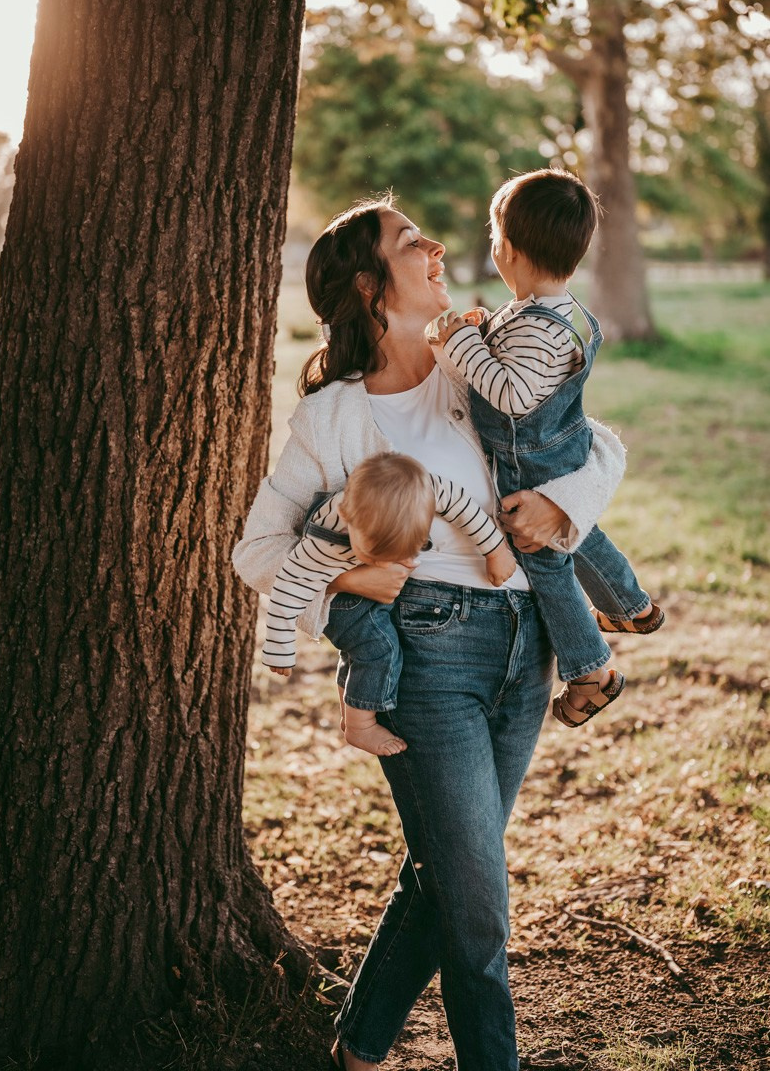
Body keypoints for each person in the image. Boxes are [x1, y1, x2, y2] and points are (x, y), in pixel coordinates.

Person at [232, 193, 626, 1071]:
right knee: (480, 902)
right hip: (424, 659)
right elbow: (257, 550)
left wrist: (560, 502)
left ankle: (361, 1046)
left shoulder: (478, 365)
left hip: (529, 648)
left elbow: (602, 448)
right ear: (371, 288)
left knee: (448, 868)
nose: (438, 248)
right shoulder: (332, 418)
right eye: (412, 242)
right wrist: (349, 574)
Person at [438, 168, 663, 727]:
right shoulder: (559, 313)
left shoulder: (537, 326)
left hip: (529, 462)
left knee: (548, 563)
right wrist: (486, 327)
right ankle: (631, 605)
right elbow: (525, 364)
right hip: (561, 447)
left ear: (506, 250)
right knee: (579, 530)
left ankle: (590, 671)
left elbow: (513, 394)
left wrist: (461, 342)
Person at [262, 451, 515, 756]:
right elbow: (288, 587)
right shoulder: (323, 543)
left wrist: (495, 549)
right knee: (379, 648)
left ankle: (352, 699)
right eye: (375, 557)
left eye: (404, 553)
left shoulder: (425, 490)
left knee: (363, 651)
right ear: (348, 516)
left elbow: (464, 508)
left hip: (370, 579)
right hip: (344, 594)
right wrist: (279, 647)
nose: (395, 564)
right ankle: (360, 726)